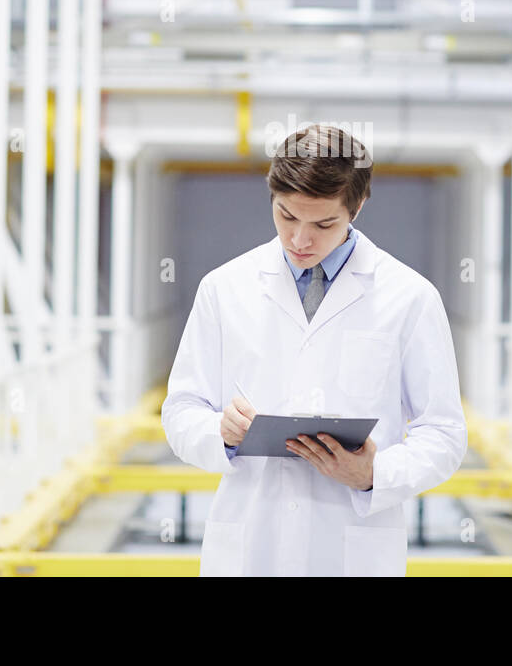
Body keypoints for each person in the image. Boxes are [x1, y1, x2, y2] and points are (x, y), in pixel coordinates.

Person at [161, 123, 467, 576]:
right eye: (286, 216)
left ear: (357, 207)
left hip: (352, 551)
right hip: (251, 545)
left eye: (323, 224)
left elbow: (443, 432)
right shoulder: (224, 289)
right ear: (272, 198)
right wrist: (219, 431)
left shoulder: (409, 298)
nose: (300, 240)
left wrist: (372, 475)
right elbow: (181, 409)